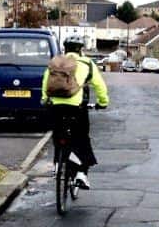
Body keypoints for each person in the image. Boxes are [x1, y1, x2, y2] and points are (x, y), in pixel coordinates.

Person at [42, 36, 109, 190]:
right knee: (81, 137)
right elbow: (99, 85)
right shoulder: (86, 63)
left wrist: (45, 99)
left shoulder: (55, 62)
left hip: (55, 105)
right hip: (76, 107)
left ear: (65, 49)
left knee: (58, 134)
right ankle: (81, 173)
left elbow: (46, 82)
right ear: (80, 49)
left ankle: (58, 164)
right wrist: (102, 103)